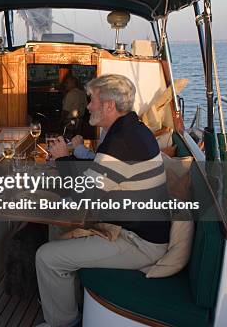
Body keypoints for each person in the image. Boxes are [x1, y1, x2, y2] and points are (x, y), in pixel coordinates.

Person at [36, 74, 170, 327]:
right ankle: (65, 301)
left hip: (139, 243)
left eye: (92, 101)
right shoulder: (131, 129)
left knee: (46, 257)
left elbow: (85, 196)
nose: (88, 107)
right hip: (131, 229)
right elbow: (100, 174)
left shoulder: (122, 141)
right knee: (57, 227)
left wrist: (64, 160)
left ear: (109, 105)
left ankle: (62, 323)